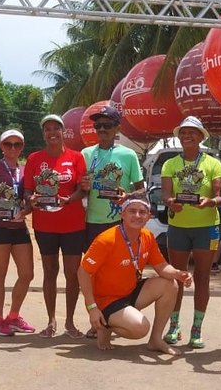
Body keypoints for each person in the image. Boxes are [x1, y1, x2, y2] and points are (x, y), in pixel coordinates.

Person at [78, 192, 192, 353]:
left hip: (131, 291)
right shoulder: (106, 239)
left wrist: (179, 274)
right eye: (132, 211)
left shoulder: (147, 236)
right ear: (122, 214)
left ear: (148, 216)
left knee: (170, 284)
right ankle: (105, 326)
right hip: (106, 300)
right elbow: (83, 272)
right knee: (140, 328)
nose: (137, 216)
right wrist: (92, 308)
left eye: (142, 212)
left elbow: (161, 267)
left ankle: (156, 340)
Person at [79, 105, 144, 338]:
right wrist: (83, 187)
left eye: (107, 125)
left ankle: (116, 315)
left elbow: (141, 190)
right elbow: (80, 189)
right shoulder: (86, 154)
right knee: (94, 274)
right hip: (92, 222)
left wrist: (128, 196)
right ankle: (97, 320)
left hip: (119, 223)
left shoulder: (128, 155)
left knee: (119, 272)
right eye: (98, 125)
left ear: (118, 128)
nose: (102, 129)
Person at [160, 116, 221, 348]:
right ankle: (174, 326)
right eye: (183, 132)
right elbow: (166, 194)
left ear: (200, 136)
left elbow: (219, 195)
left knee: (202, 277)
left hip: (206, 227)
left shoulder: (213, 163)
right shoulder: (170, 164)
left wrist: (210, 202)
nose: (187, 136)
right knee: (177, 276)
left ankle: (197, 328)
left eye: (192, 132)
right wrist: (171, 203)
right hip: (178, 226)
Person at [23, 114, 87, 338]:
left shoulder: (76, 157)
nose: (52, 132)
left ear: (63, 132)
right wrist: (30, 199)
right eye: (47, 129)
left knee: (72, 274)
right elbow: (28, 189)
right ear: (43, 134)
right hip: (45, 224)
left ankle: (70, 322)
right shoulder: (34, 159)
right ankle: (51, 321)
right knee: (49, 271)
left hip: (73, 224)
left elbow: (82, 188)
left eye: (56, 128)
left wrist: (70, 199)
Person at [0, 129, 35, 336]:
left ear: (22, 147)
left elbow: (29, 200)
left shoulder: (25, 170)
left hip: (18, 226)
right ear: (1, 146)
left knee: (27, 274)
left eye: (17, 144)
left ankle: (13, 316)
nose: (13, 148)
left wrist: (27, 211)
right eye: (8, 144)